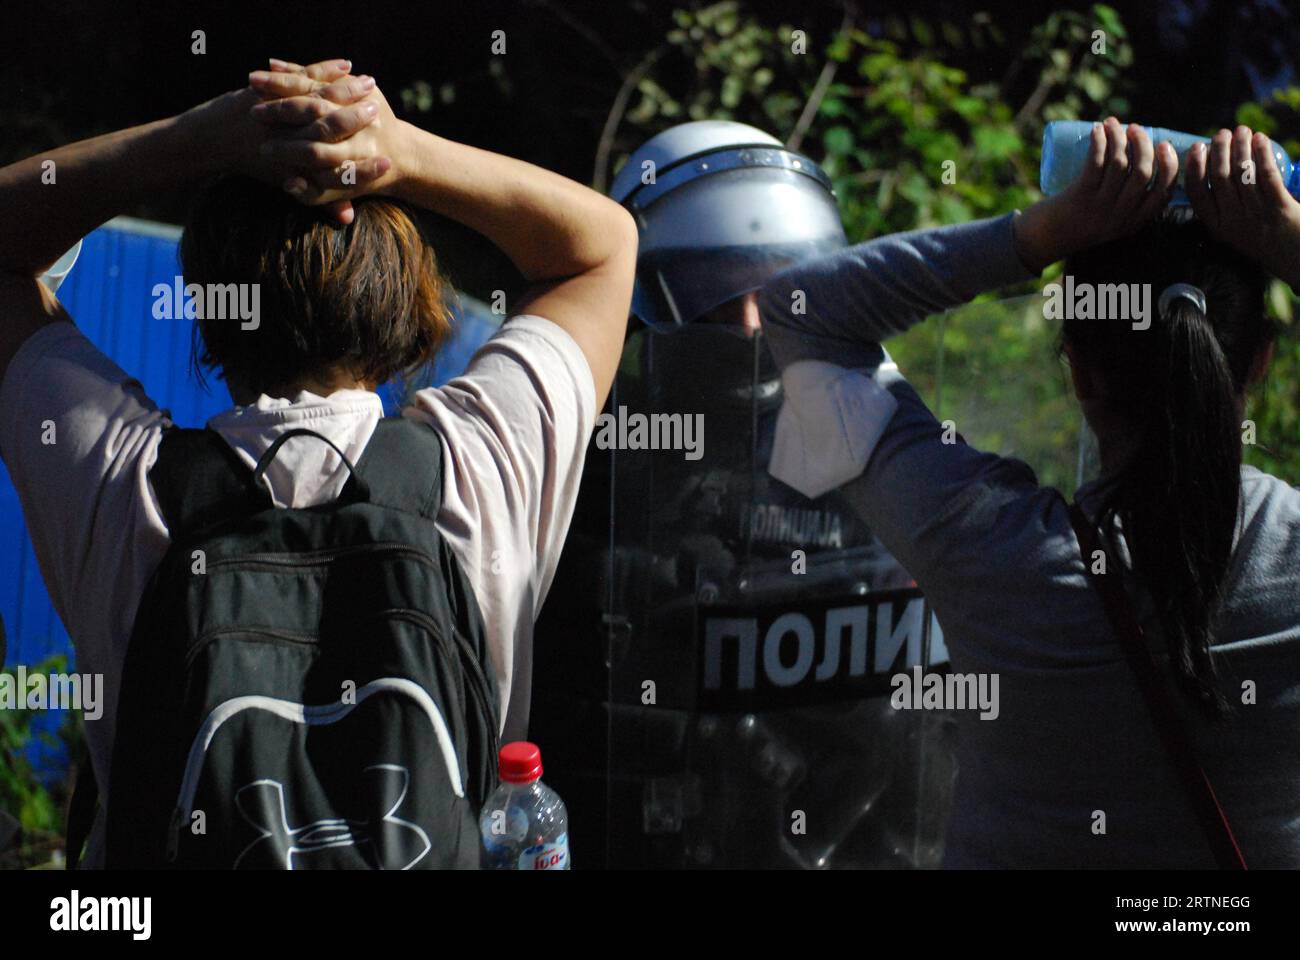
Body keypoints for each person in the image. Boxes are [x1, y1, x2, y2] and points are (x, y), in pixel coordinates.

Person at [0, 58, 636, 866]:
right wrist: (394, 150)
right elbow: (603, 249)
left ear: (210, 313)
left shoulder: (126, 487)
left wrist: (205, 138)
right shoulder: (482, 464)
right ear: (411, 300)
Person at [757, 117, 1300, 867]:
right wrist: (1287, 238)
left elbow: (802, 315)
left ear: (1077, 368)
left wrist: (1037, 233)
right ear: (1262, 362)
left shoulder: (985, 544)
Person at [531, 121, 955, 868]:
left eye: (783, 289)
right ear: (643, 298)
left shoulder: (863, 451)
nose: (754, 322)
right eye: (713, 292)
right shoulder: (579, 456)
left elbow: (913, 726)